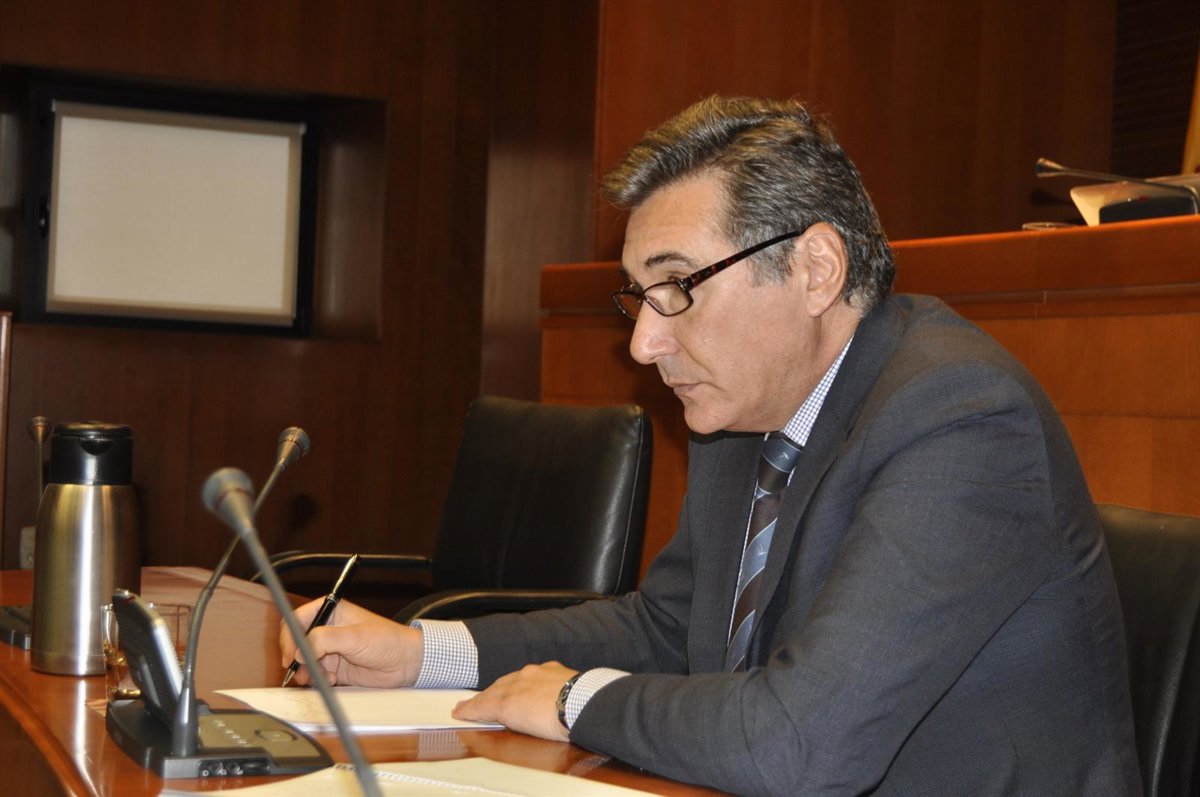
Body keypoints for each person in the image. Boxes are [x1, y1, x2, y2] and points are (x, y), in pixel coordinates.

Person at [281, 96, 1141, 796]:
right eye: (638, 297)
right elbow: (668, 628)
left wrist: (578, 700)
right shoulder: (747, 408)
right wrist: (426, 652)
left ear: (815, 268)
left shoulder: (960, 418)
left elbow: (804, 743)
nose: (644, 343)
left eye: (677, 287)